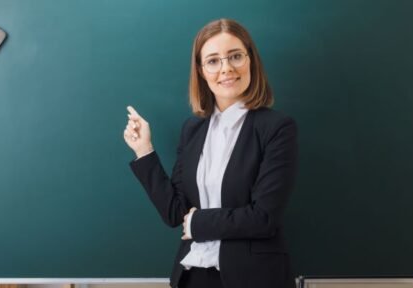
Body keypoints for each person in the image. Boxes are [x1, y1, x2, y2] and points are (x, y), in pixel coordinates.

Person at [123, 18, 298, 288]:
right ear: (202, 71)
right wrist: (144, 150)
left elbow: (263, 218)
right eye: (213, 61)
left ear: (251, 60)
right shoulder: (193, 129)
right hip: (193, 275)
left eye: (235, 56)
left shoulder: (276, 128)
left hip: (253, 278)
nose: (226, 69)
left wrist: (197, 224)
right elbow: (175, 213)